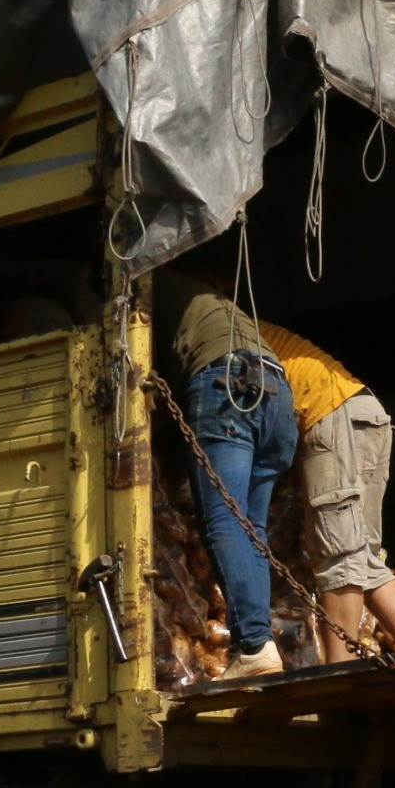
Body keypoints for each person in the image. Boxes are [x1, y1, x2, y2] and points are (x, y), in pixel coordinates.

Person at [256, 320, 395, 662]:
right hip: (363, 413)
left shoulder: (228, 332)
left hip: (333, 417)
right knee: (362, 558)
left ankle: (340, 667)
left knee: (338, 556)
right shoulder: (248, 328)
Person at [156, 269, 297, 681]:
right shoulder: (204, 303)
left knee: (224, 520)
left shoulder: (141, 292)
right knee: (250, 527)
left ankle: (253, 644)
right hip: (277, 395)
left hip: (227, 384)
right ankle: (258, 644)